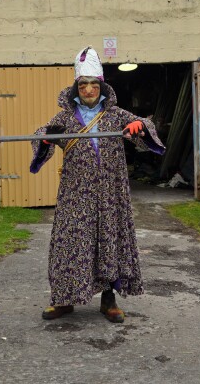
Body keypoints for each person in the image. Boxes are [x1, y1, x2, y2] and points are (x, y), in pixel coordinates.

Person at [30, 46, 165, 323]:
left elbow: (146, 127)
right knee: (70, 242)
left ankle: (109, 301)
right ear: (76, 87)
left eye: (93, 84)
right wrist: (44, 139)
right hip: (75, 192)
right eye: (83, 84)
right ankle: (63, 300)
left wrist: (140, 126)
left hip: (109, 193)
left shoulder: (115, 115)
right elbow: (42, 132)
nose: (88, 89)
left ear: (101, 86)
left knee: (108, 242)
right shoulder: (66, 117)